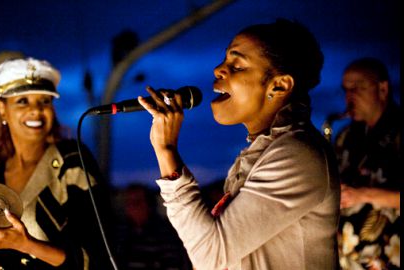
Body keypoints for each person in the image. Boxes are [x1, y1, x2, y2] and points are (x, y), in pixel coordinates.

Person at [138, 18, 340, 269]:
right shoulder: (265, 150)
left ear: (279, 85)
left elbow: (212, 254)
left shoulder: (298, 155)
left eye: (237, 65)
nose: (218, 70)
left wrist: (166, 151)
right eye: (224, 61)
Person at [0, 57, 113, 270]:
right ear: (2, 109)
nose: (36, 110)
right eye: (23, 101)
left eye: (45, 101)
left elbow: (98, 255)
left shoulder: (72, 162)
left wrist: (25, 244)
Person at [335, 58, 400, 269]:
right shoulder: (345, 137)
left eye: (358, 87)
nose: (349, 96)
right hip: (348, 260)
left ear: (383, 89)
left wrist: (363, 194)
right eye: (346, 89)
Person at [114, 183, 192, 270]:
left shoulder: (165, 234)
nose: (132, 206)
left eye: (137, 202)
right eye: (128, 202)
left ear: (149, 205)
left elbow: (172, 264)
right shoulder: (119, 233)